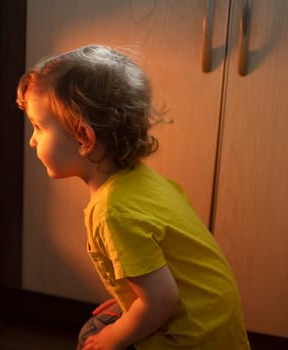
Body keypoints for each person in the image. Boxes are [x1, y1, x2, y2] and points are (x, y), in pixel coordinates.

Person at [16, 44, 251, 350]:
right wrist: (129, 298)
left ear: (84, 138)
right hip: (213, 322)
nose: (32, 140)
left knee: (92, 338)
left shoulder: (115, 213)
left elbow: (163, 300)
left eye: (39, 127)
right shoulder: (142, 182)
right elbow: (167, 270)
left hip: (190, 338)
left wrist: (113, 337)